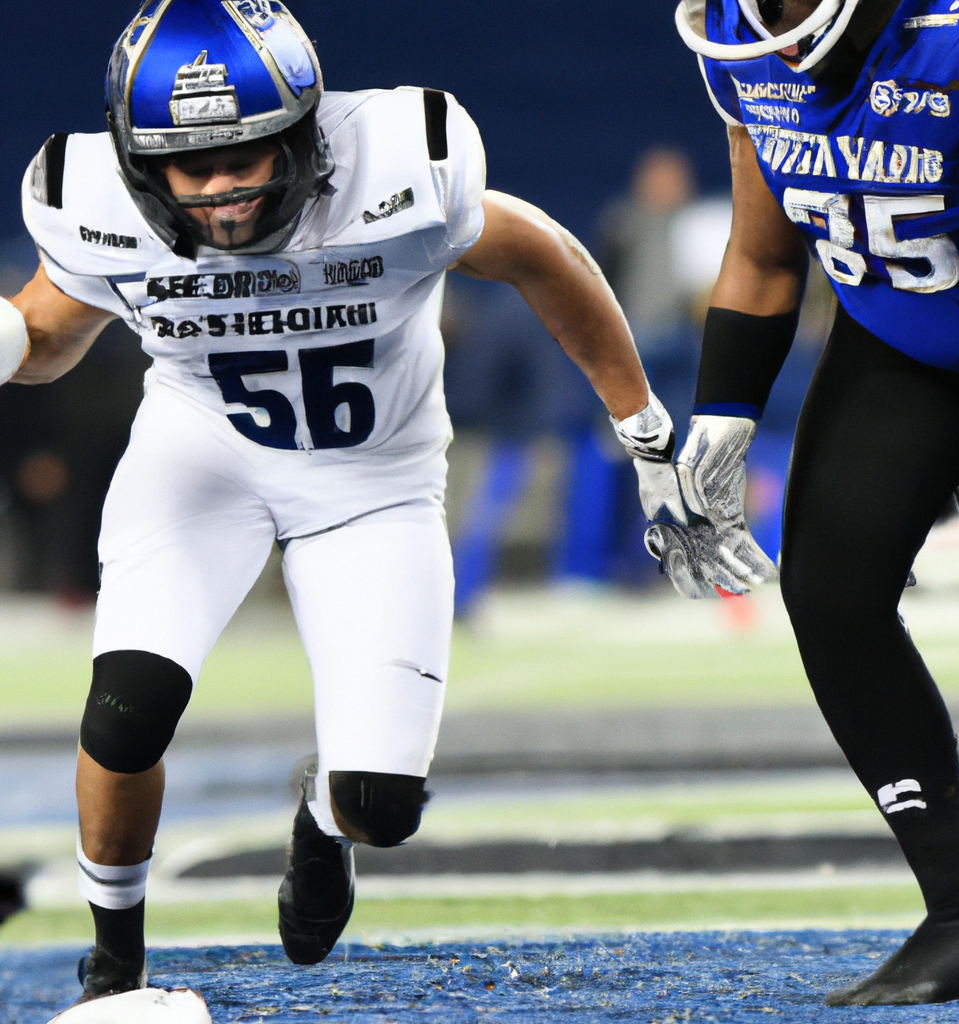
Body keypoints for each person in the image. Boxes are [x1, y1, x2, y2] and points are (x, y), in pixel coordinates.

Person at [0, 0, 683, 1006]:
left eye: (250, 152)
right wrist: (12, 343)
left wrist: (640, 423)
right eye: (194, 166)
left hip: (373, 484)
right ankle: (116, 954)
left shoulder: (395, 171)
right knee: (128, 710)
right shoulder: (96, 207)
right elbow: (52, 332)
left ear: (306, 132)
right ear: (143, 167)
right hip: (204, 463)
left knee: (381, 807)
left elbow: (539, 252)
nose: (226, 186)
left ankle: (321, 818)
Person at [649, 0, 959, 1006]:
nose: (764, 17)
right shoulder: (737, 37)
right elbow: (768, 257)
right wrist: (721, 417)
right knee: (831, 595)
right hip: (905, 336)